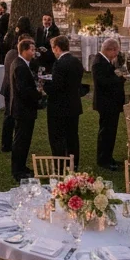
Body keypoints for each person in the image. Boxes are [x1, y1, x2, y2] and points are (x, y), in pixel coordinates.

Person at [46, 35, 84, 167]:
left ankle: (60, 165)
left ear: (57, 48)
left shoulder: (59, 64)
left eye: (53, 49)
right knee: (72, 137)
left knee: (57, 138)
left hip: (59, 107)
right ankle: (74, 164)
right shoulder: (76, 61)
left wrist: (45, 86)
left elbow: (57, 87)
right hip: (73, 104)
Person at [8, 39, 43, 182]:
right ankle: (18, 170)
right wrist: (39, 94)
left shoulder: (23, 64)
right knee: (21, 141)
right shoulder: (20, 66)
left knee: (24, 140)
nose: (34, 53)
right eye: (32, 50)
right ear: (23, 50)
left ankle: (22, 166)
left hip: (24, 109)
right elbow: (24, 91)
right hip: (23, 110)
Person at [91, 38, 126, 171]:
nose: (117, 54)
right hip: (106, 103)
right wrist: (120, 79)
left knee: (111, 132)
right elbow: (103, 82)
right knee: (106, 132)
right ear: (110, 50)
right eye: (116, 51)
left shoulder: (106, 61)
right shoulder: (99, 62)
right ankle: (103, 159)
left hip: (111, 103)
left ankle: (108, 156)